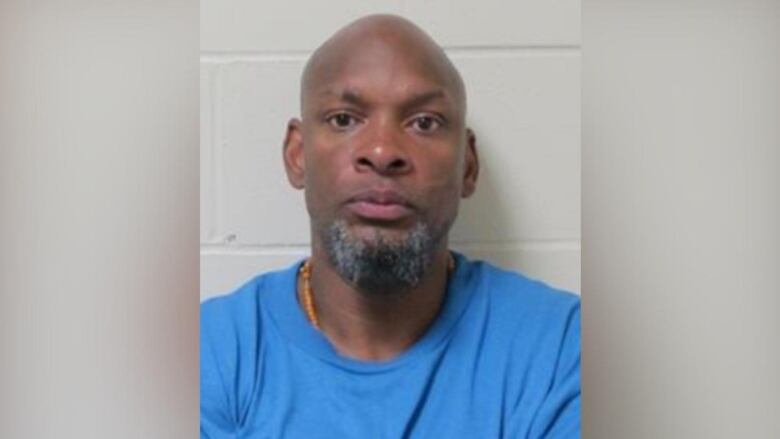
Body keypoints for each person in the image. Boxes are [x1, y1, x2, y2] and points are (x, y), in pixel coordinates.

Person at [201, 14, 580, 438]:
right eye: (344, 119)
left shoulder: (558, 348)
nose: (382, 152)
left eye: (424, 122)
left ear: (467, 166)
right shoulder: (211, 353)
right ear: (298, 154)